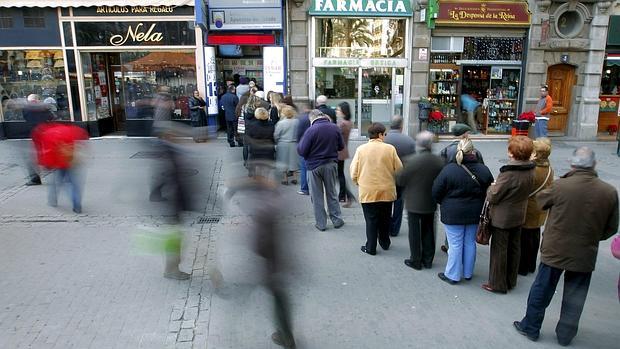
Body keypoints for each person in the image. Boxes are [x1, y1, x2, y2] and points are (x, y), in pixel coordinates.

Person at [514, 147, 618, 346]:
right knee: (575, 294)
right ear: (594, 164)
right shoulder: (609, 192)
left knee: (542, 289)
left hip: (555, 249)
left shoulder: (561, 186)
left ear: (573, 164)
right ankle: (565, 335)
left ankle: (531, 326)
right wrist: (593, 237)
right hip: (585, 251)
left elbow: (540, 201)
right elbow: (611, 228)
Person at [432, 138, 493, 282]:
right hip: (475, 213)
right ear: (473, 151)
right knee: (470, 243)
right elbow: (490, 191)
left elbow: (436, 192)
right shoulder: (483, 169)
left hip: (452, 213)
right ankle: (467, 273)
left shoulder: (449, 170)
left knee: (454, 244)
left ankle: (452, 275)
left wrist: (445, 203)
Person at [482, 136, 535, 294]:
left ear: (512, 153)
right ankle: (511, 279)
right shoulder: (531, 168)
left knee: (500, 251)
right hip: (519, 213)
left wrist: (491, 187)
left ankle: (497, 284)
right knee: (514, 248)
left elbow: (493, 196)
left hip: (503, 217)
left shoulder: (509, 173)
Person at [350, 123, 403, 255]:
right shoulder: (390, 149)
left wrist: (358, 182)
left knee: (371, 220)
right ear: (379, 134)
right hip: (386, 190)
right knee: (385, 218)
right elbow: (400, 169)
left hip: (368, 190)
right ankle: (385, 242)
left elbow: (353, 172)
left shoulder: (361, 149)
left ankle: (371, 247)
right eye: (384, 134)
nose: (385, 136)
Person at [396, 131, 443, 268]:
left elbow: (400, 180)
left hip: (414, 202)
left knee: (414, 232)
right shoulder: (439, 161)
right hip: (431, 200)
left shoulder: (411, 161)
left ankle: (415, 260)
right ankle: (428, 260)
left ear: (418, 145)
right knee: (429, 230)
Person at [439, 123, 484, 252]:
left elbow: (440, 173)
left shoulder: (446, 150)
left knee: (451, 224)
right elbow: (482, 171)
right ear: (464, 134)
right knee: (469, 231)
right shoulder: (475, 151)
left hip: (451, 193)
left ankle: (449, 245)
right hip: (472, 192)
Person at [297, 109, 345, 231]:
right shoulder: (334, 128)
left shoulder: (310, 130)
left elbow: (302, 150)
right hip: (331, 164)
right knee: (332, 193)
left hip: (313, 166)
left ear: (312, 119)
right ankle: (337, 220)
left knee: (317, 196)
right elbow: (341, 146)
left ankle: (321, 224)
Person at [519, 138, 554, 276]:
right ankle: (531, 264)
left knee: (524, 238)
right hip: (540, 207)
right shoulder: (549, 168)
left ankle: (522, 266)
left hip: (529, 208)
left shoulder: (532, 170)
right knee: (534, 236)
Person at [384, 115, 416, 236]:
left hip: (386, 175)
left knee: (386, 202)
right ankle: (395, 228)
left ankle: (385, 226)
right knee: (398, 202)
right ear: (401, 126)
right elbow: (414, 160)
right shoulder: (408, 140)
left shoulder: (384, 140)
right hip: (402, 176)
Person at [23, 94, 55, 186]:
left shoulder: (26, 109)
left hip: (35, 133)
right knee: (50, 151)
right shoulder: (44, 107)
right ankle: (54, 168)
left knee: (34, 156)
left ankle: (35, 179)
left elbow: (26, 118)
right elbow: (51, 117)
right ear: (37, 100)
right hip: (47, 132)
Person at [335, 102, 356, 207]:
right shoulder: (348, 122)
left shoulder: (342, 124)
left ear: (343, 112)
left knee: (339, 175)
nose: (336, 111)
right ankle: (343, 195)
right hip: (343, 150)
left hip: (338, 151)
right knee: (339, 174)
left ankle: (346, 195)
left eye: (338, 110)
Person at [246, 108, 276, 177]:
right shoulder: (271, 125)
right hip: (268, 150)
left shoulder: (252, 125)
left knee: (258, 167)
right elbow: (274, 137)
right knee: (267, 168)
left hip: (256, 150)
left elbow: (248, 138)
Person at [274, 106, 299, 185]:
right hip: (294, 143)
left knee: (283, 161)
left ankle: (285, 179)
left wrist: (276, 141)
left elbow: (276, 134)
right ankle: (295, 178)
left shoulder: (281, 123)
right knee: (294, 160)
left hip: (283, 143)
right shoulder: (297, 121)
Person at [295, 101, 312, 196]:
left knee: (304, 167)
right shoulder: (313, 117)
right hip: (313, 145)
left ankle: (304, 188)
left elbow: (298, 133)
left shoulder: (301, 119)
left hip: (303, 144)